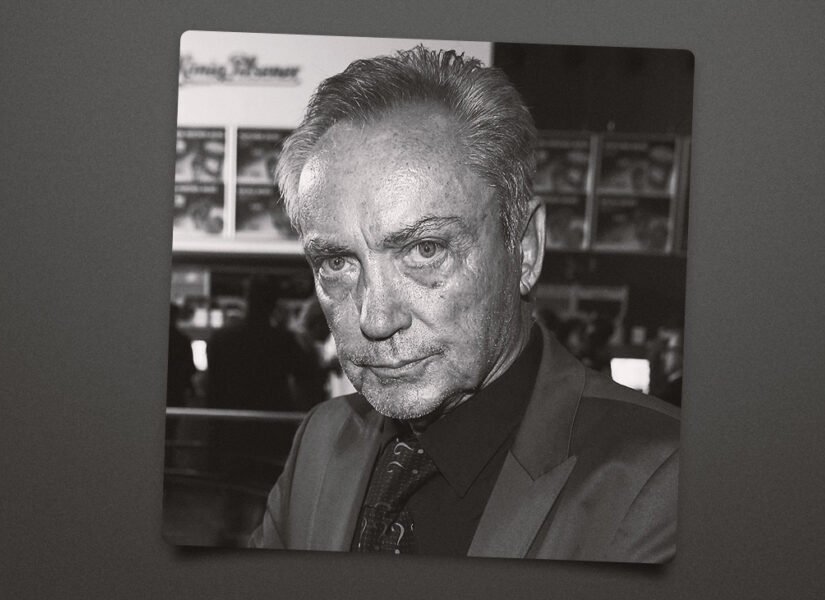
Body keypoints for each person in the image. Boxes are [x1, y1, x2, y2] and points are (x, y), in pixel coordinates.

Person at [251, 46, 678, 563]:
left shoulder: (662, 479)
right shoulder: (320, 442)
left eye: (425, 250)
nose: (376, 319)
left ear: (525, 249)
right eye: (337, 262)